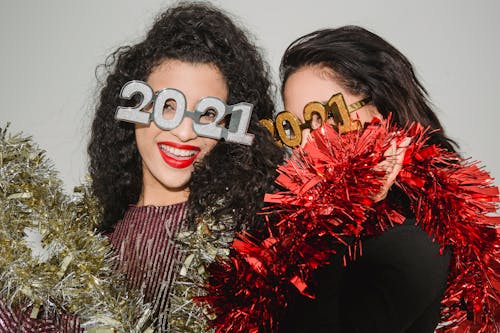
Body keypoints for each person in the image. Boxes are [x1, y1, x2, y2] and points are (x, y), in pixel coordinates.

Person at [0, 2, 282, 332]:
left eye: (206, 114)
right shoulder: (86, 245)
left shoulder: (241, 249)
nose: (184, 132)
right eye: (167, 107)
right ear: (134, 106)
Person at [276, 25, 456, 333]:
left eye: (328, 116)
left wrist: (339, 218)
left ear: (383, 112)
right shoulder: (293, 225)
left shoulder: (415, 243)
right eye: (294, 125)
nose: (307, 144)